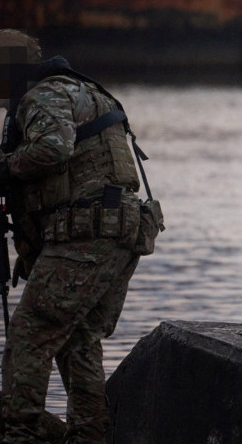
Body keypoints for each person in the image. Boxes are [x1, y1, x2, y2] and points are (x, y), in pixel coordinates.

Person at [0, 30, 158, 443]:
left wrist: (3, 167)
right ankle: (89, 435)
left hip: (88, 232)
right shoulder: (83, 90)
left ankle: (19, 433)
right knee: (77, 339)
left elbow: (53, 150)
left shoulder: (41, 97)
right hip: (119, 231)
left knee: (30, 332)